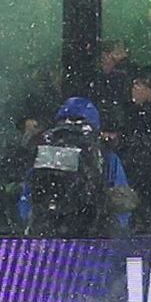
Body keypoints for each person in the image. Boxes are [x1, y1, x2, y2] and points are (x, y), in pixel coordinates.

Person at [18, 97, 131, 237]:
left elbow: (28, 195)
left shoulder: (44, 150)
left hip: (47, 234)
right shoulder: (105, 155)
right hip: (90, 234)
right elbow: (122, 202)